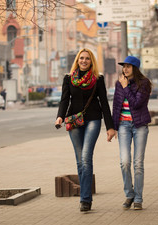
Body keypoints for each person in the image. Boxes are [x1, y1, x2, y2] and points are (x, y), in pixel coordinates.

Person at [55, 48, 115, 212]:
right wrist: (60, 116)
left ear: (91, 61)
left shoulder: (98, 79)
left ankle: (85, 200)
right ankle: (85, 197)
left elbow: (104, 102)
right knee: (80, 161)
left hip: (93, 120)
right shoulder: (69, 79)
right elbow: (64, 100)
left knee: (86, 158)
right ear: (77, 60)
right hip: (74, 122)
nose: (84, 61)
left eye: (87, 59)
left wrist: (110, 127)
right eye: (81, 58)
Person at [112, 56, 152, 210]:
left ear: (135, 68)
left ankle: (138, 199)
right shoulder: (119, 84)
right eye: (124, 66)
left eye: (128, 66)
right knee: (125, 162)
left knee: (138, 164)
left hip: (140, 126)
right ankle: (129, 194)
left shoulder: (144, 84)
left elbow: (136, 103)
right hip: (123, 126)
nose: (125, 69)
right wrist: (112, 127)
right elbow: (116, 106)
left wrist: (126, 87)